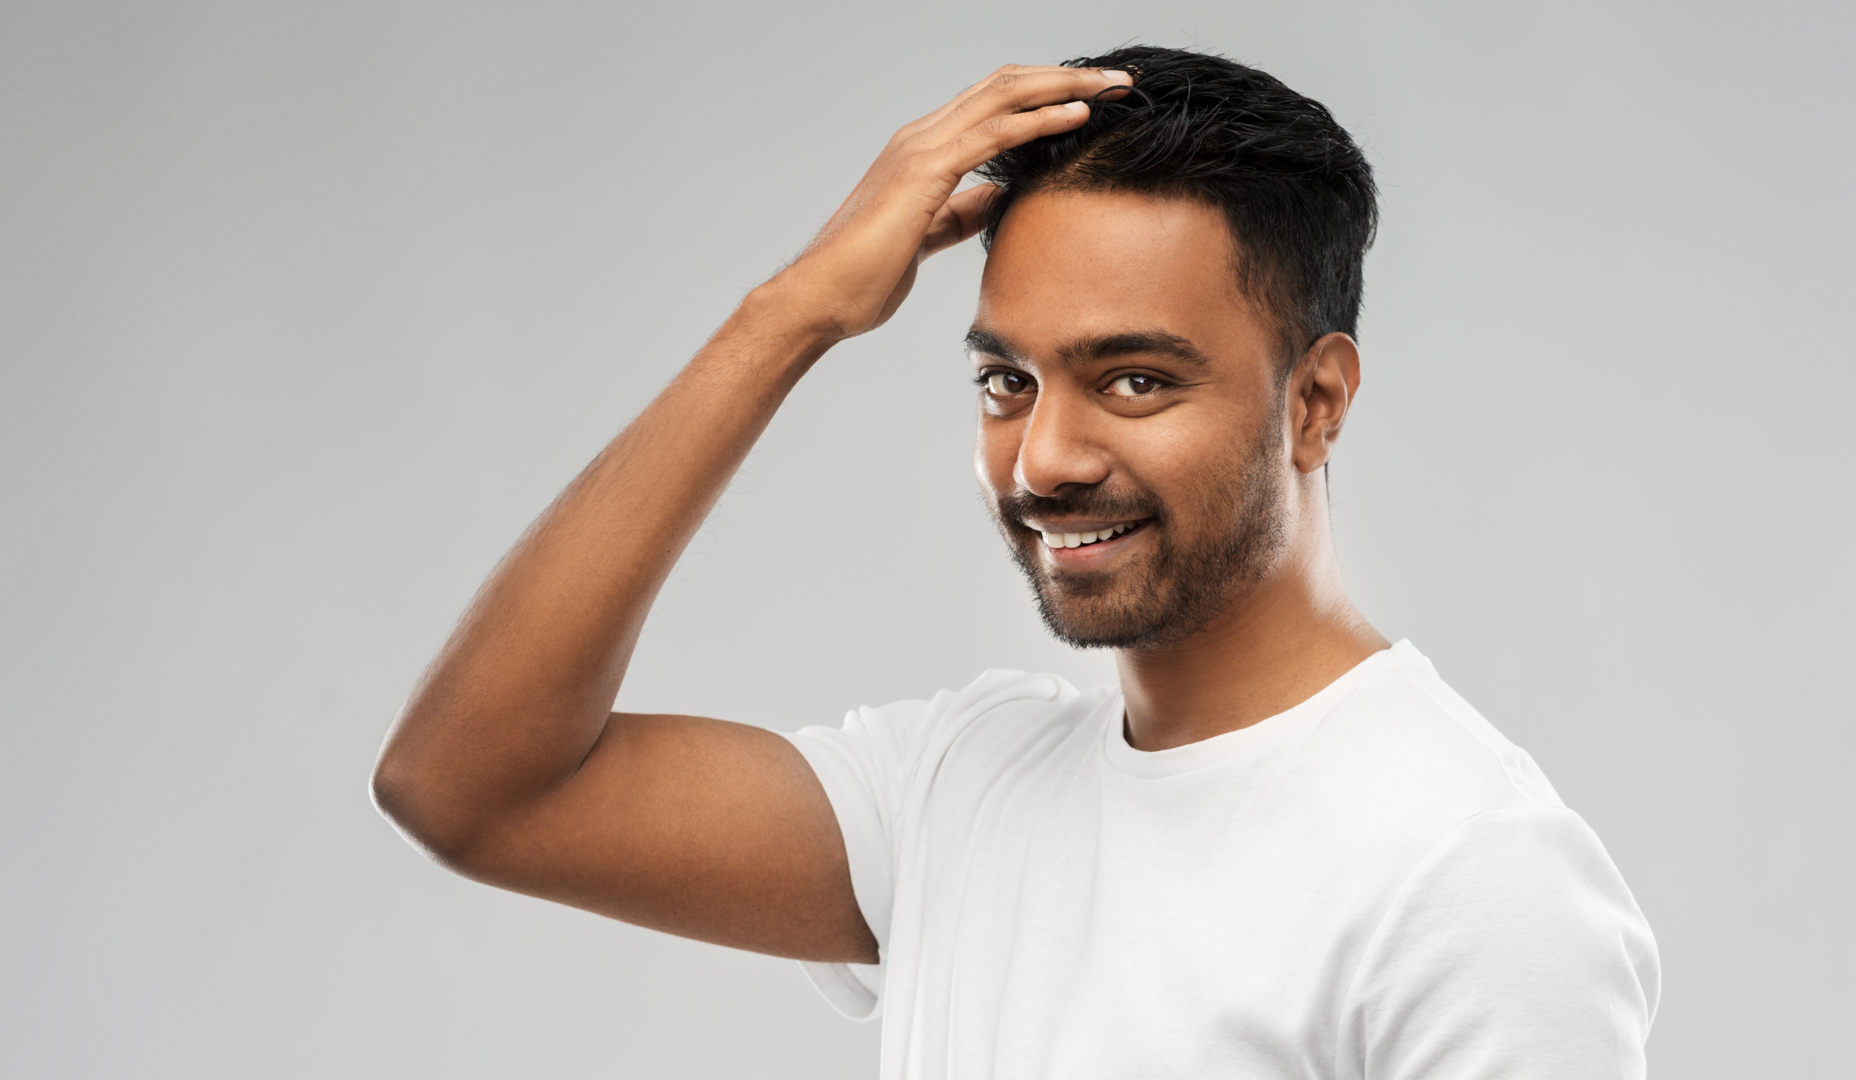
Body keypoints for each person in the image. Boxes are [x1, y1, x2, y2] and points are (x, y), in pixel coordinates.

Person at [371, 45, 1660, 1078]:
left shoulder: (1468, 875)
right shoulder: (955, 792)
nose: (1043, 457)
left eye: (1135, 380)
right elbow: (471, 787)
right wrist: (794, 312)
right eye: (1006, 381)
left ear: (1315, 402)